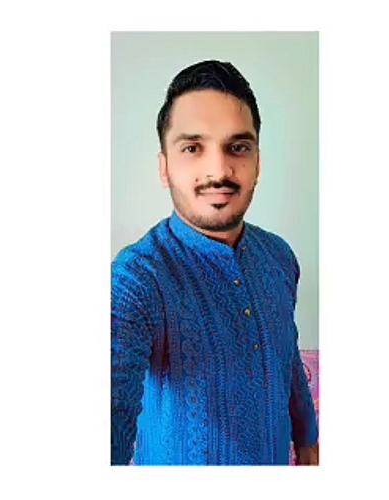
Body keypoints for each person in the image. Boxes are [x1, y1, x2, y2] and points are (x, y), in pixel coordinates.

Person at [111, 60, 319, 466]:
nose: (219, 170)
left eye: (238, 147)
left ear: (257, 162)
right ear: (164, 168)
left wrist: (308, 442)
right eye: (192, 148)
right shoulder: (136, 279)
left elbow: (287, 356)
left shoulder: (279, 255)